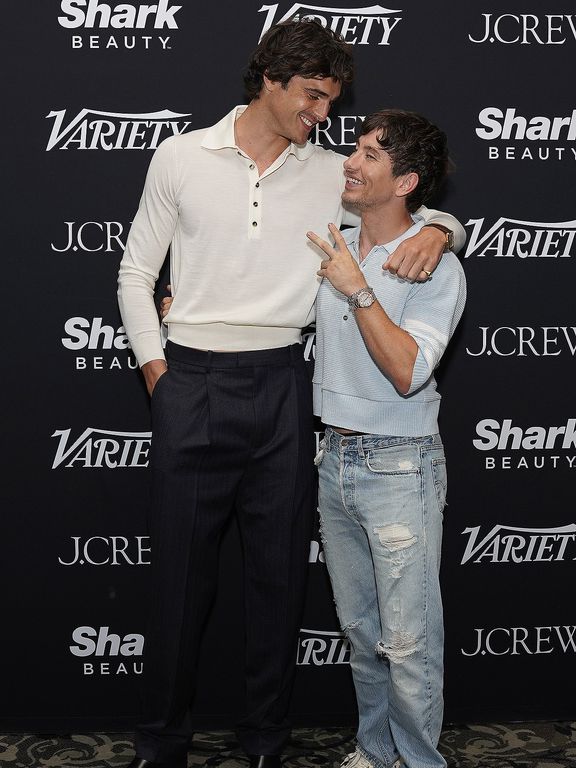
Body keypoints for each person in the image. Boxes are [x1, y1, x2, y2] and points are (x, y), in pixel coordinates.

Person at [117, 20, 464, 768]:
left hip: (282, 386)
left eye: (331, 99)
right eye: (312, 94)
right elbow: (135, 273)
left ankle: (267, 742)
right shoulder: (181, 155)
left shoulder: (329, 172)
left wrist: (444, 228)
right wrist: (158, 373)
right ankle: (160, 743)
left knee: (277, 585)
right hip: (191, 382)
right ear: (269, 80)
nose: (322, 113)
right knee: (179, 584)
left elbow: (404, 204)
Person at [307, 109, 466, 768]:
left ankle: (419, 761)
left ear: (407, 181)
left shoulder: (436, 269)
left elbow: (406, 371)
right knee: (361, 631)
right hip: (333, 458)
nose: (352, 161)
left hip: (399, 468)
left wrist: (360, 291)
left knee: (408, 642)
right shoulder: (335, 238)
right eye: (356, 147)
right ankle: (375, 750)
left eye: (373, 155)